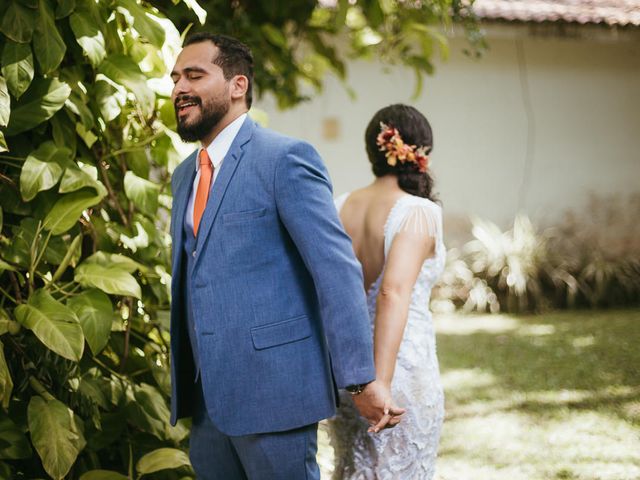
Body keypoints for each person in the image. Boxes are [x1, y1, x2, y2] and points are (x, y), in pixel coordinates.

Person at [168, 33, 403, 479]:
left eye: (195, 75)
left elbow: (335, 269)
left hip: (274, 394)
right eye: (176, 78)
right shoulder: (184, 177)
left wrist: (359, 378)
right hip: (205, 403)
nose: (180, 87)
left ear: (238, 85)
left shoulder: (285, 159)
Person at [327, 104, 446, 479]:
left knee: (351, 469)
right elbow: (392, 292)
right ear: (419, 151)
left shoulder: (339, 205)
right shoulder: (418, 211)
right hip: (396, 377)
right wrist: (381, 383)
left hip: (347, 371)